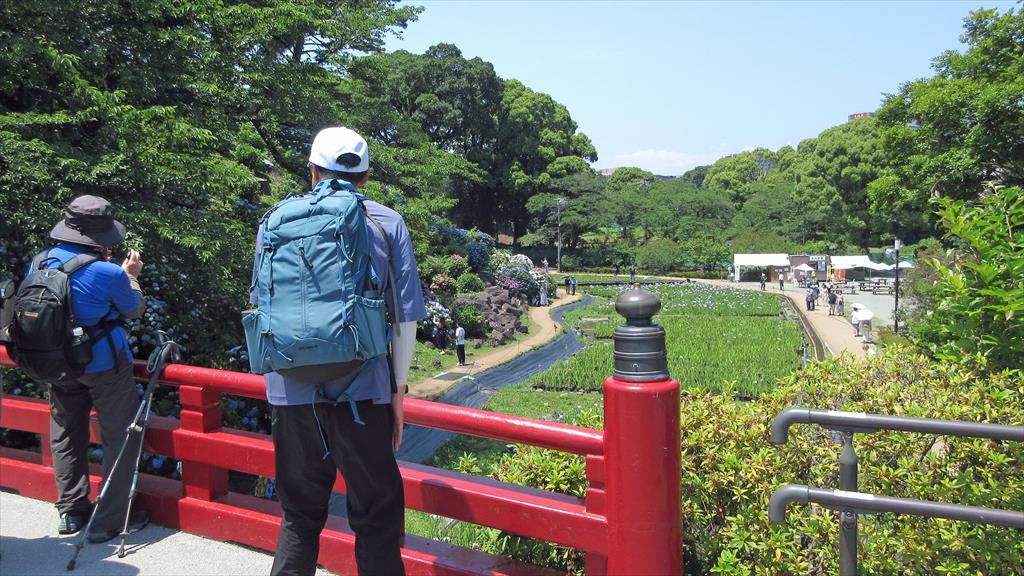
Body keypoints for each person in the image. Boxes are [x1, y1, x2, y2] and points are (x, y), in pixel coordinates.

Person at [252, 127, 427, 576]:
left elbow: (263, 304)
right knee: (376, 515)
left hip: (289, 390)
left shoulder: (275, 220)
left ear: (312, 170)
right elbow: (404, 318)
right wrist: (399, 390)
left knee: (299, 514)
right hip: (362, 390)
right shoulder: (385, 222)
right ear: (365, 177)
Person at [31, 196, 150, 542]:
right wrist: (130, 277)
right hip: (103, 364)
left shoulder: (40, 262)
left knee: (66, 432)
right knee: (121, 435)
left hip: (56, 362)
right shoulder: (107, 272)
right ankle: (109, 520)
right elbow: (134, 309)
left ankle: (71, 510)